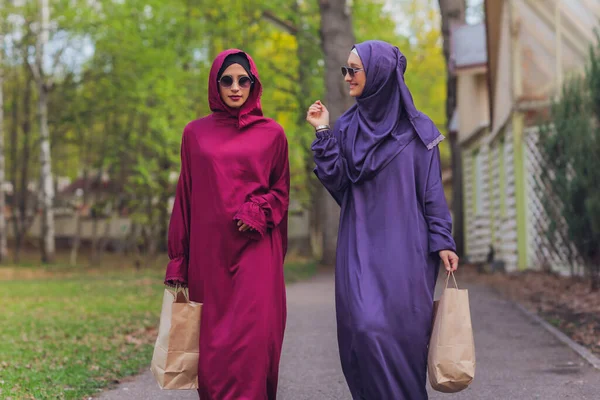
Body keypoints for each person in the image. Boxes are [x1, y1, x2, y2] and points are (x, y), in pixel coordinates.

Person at [306, 40, 459, 399]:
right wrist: (323, 132)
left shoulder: (419, 130)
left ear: (378, 73)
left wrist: (444, 241)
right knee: (364, 330)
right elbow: (338, 182)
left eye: (353, 70)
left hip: (408, 253)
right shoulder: (345, 128)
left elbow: (432, 193)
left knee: (403, 343)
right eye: (345, 70)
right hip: (359, 247)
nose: (347, 78)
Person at [164, 49, 290, 400]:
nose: (235, 87)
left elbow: (281, 192)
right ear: (215, 84)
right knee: (215, 353)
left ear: (254, 83)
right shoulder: (195, 134)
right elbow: (185, 195)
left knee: (254, 344)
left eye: (243, 80)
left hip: (255, 252)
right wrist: (179, 258)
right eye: (227, 80)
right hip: (210, 257)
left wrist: (257, 209)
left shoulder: (273, 134)